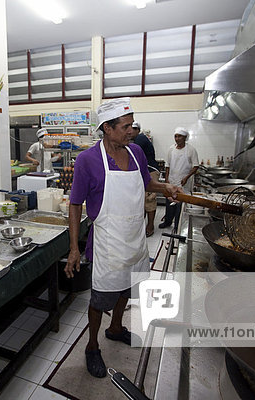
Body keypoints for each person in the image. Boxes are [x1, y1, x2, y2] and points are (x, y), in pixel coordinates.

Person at [65, 98, 182, 378]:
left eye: (132, 125)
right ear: (107, 128)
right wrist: (73, 249)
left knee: (126, 289)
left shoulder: (137, 152)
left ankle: (115, 328)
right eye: (126, 127)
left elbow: (145, 182)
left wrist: (164, 186)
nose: (132, 131)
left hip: (135, 238)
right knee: (101, 298)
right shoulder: (87, 160)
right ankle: (92, 346)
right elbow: (74, 203)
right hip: (108, 244)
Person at [159, 127, 199, 231]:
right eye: (175, 136)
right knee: (169, 203)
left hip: (184, 184)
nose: (177, 138)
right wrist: (167, 179)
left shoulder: (191, 150)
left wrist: (186, 177)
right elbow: (167, 165)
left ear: (185, 137)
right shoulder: (171, 149)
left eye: (179, 136)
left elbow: (195, 166)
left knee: (180, 206)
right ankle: (168, 221)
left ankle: (178, 225)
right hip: (172, 181)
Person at [131, 121, 160, 237]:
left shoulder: (140, 139)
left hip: (151, 171)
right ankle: (141, 226)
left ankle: (150, 226)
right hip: (144, 172)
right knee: (141, 200)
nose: (130, 131)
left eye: (133, 128)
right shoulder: (136, 139)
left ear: (138, 130)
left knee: (149, 200)